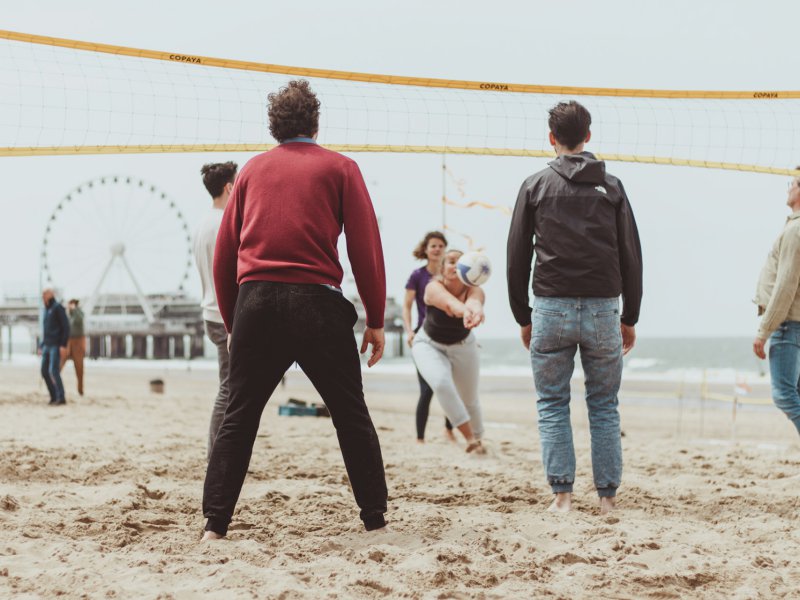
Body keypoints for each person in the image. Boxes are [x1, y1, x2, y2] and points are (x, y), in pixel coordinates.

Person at [202, 80, 388, 540]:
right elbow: (367, 248)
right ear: (316, 123)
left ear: (274, 127)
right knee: (349, 412)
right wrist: (378, 320)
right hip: (317, 300)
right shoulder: (342, 168)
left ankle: (214, 525)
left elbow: (225, 255)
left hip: (257, 300)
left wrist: (234, 321)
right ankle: (374, 519)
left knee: (239, 416)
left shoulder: (249, 172)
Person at [507, 100, 643, 515]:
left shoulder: (535, 185)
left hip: (550, 306)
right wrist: (630, 316)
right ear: (588, 136)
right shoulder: (613, 187)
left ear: (552, 139)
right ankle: (607, 499)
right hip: (604, 308)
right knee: (604, 404)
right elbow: (631, 254)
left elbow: (516, 256)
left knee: (552, 402)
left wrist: (522, 315)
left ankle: (562, 497)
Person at [411, 249, 487, 454]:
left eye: (460, 262)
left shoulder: (474, 289)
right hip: (429, 344)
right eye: (451, 262)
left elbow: (475, 301)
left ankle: (479, 440)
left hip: (463, 346)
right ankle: (469, 438)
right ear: (442, 268)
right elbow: (450, 304)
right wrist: (465, 312)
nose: (455, 265)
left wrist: (476, 310)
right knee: (441, 383)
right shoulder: (433, 287)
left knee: (469, 398)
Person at [193, 160, 238, 460]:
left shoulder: (203, 224)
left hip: (212, 313)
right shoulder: (223, 223)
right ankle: (216, 456)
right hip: (225, 317)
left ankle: (223, 453)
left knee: (232, 386)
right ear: (228, 187)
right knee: (229, 389)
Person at [752, 168, 800, 436]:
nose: (787, 188)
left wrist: (763, 331)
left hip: (788, 324)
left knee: (784, 395)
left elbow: (785, 286)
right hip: (794, 323)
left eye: (791, 183)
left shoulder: (795, 230)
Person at [403, 231, 454, 443]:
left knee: (449, 385)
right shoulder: (417, 275)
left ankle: (449, 430)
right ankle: (420, 438)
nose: (437, 249)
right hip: (423, 337)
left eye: (441, 245)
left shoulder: (450, 275)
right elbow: (406, 306)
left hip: (447, 336)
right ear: (426, 249)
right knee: (426, 390)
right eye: (433, 245)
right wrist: (409, 332)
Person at [40, 288, 69, 406]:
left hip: (56, 345)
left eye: (44, 294)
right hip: (46, 345)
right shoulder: (46, 310)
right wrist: (41, 344)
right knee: (44, 371)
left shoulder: (58, 308)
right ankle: (53, 396)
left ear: (50, 295)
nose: (42, 297)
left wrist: (63, 345)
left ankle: (61, 397)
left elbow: (66, 327)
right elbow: (46, 329)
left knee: (54, 370)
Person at [59, 299, 86, 396]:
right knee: (59, 365)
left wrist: (75, 310)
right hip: (68, 342)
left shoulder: (79, 313)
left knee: (79, 368)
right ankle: (55, 386)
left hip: (78, 343)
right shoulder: (68, 315)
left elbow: (79, 319)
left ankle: (80, 390)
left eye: (71, 304)